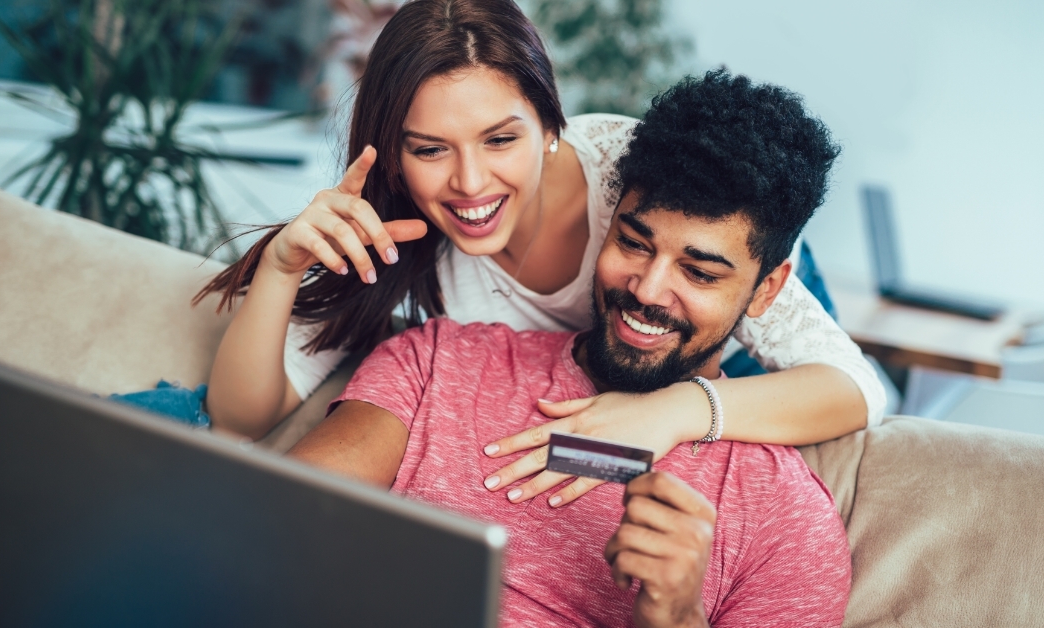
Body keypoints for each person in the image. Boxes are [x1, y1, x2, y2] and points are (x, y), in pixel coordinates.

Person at [196, 0, 885, 507]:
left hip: (709, 318)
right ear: (396, 152)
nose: (469, 184)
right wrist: (283, 270)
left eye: (500, 140)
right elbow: (240, 416)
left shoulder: (636, 179)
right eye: (430, 149)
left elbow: (852, 388)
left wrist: (672, 410)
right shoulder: (397, 233)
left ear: (550, 120)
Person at [288, 71, 853, 627]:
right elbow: (275, 530)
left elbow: (856, 389)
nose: (648, 291)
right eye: (633, 243)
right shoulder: (437, 360)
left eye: (700, 273)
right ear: (607, 225)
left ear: (768, 290)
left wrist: (677, 616)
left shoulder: (788, 519)